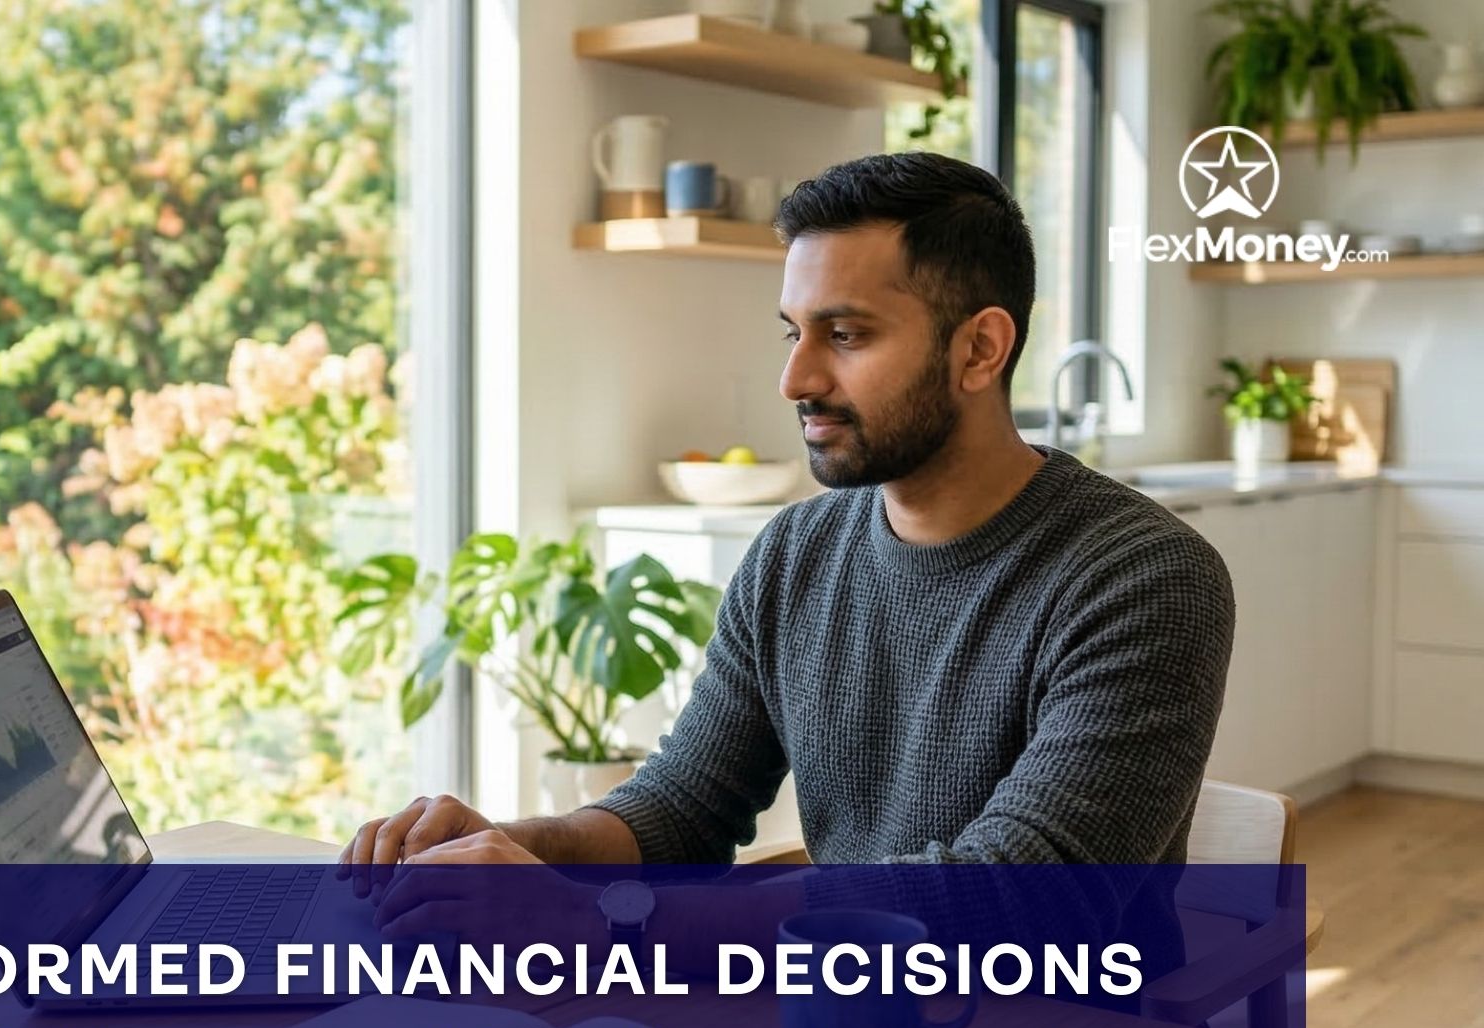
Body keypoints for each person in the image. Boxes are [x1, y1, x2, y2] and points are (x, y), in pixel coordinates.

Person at [337, 152, 1234, 963]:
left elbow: (1017, 899)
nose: (796, 379)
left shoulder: (1144, 577)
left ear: (980, 348)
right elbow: (685, 808)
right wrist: (516, 850)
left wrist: (609, 923)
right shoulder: (795, 555)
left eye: (845, 335)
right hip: (827, 1011)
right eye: (793, 332)